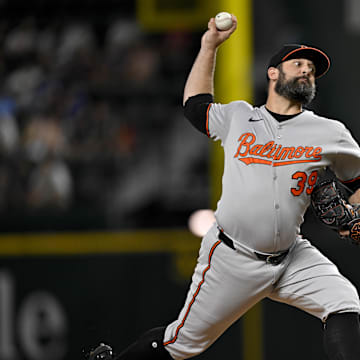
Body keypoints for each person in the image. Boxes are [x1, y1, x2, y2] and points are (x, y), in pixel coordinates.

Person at [87, 14, 360, 360]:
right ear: (273, 73)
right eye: (299, 63)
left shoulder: (330, 133)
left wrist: (356, 212)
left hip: (291, 255)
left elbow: (357, 181)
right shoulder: (239, 117)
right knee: (181, 344)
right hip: (233, 256)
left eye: (312, 68)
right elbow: (194, 105)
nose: (307, 70)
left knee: (344, 301)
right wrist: (209, 46)